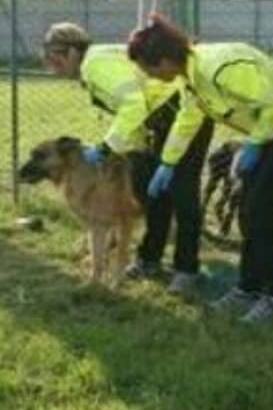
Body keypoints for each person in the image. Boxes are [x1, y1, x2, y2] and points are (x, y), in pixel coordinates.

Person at [127, 16, 273, 323]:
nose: (148, 76)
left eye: (148, 69)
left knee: (262, 212)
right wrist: (167, 162)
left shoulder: (219, 68)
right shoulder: (191, 77)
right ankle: (248, 288)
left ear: (163, 60)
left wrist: (255, 144)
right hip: (270, 130)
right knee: (247, 211)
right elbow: (188, 120)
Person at [41, 22, 214, 294]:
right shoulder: (94, 65)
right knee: (154, 193)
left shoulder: (95, 65)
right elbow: (134, 109)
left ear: (73, 53)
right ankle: (149, 260)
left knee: (183, 193)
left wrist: (108, 147)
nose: (52, 66)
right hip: (157, 123)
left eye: (55, 58)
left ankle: (186, 269)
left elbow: (134, 103)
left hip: (184, 115)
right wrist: (129, 148)